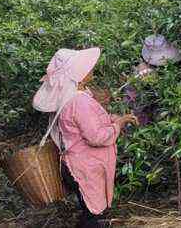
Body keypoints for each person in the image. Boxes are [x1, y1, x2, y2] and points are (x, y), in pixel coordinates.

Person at [32, 48, 138, 228]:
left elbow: (87, 122)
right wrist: (118, 125)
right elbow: (96, 137)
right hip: (84, 168)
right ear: (78, 73)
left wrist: (115, 118)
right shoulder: (79, 101)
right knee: (93, 215)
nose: (91, 69)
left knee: (89, 210)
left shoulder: (71, 96)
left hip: (77, 166)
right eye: (86, 67)